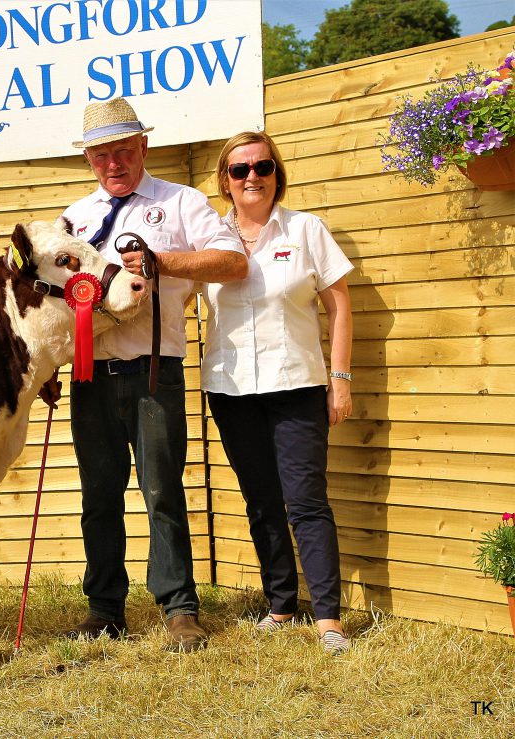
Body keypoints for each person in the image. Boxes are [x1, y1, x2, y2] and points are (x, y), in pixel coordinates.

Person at [60, 97, 248, 652]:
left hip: (153, 370)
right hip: (88, 373)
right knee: (98, 493)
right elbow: (49, 297)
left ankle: (180, 609)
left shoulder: (182, 202)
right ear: (89, 159)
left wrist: (163, 262)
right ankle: (104, 610)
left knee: (162, 489)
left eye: (123, 150)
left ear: (143, 147)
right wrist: (49, 363)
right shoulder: (73, 217)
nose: (113, 163)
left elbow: (232, 262)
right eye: (101, 155)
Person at [202, 130, 354, 655]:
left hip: (297, 385)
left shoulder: (307, 229)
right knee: (261, 501)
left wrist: (341, 379)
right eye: (240, 169)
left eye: (262, 167)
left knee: (306, 501)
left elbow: (339, 307)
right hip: (231, 388)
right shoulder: (210, 239)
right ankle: (282, 604)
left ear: (276, 173)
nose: (252, 178)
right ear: (225, 180)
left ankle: (329, 619)